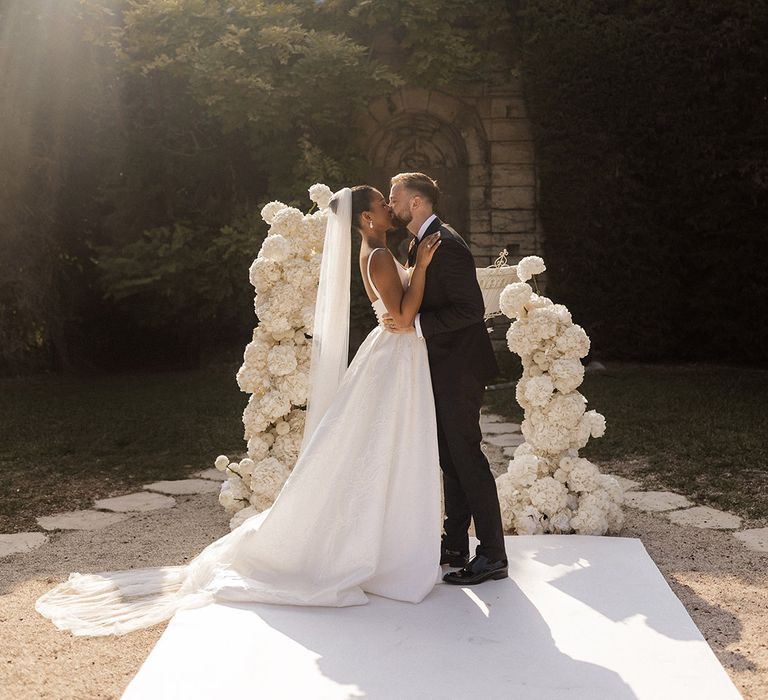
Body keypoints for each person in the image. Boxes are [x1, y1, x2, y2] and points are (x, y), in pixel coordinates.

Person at [34, 186, 446, 637]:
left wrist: (414, 268)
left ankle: (381, 545)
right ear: (366, 219)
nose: (391, 207)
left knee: (375, 451)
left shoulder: (378, 250)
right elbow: (404, 319)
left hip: (392, 356)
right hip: (395, 354)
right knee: (384, 447)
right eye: (382, 205)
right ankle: (377, 550)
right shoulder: (379, 255)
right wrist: (422, 267)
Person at [384, 172, 508, 585]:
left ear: (416, 202)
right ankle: (454, 543)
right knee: (450, 458)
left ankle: (493, 554)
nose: (390, 204)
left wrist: (415, 324)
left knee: (467, 457)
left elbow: (471, 309)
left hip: (460, 367)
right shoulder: (418, 243)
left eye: (395, 198)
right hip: (440, 366)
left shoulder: (447, 245)